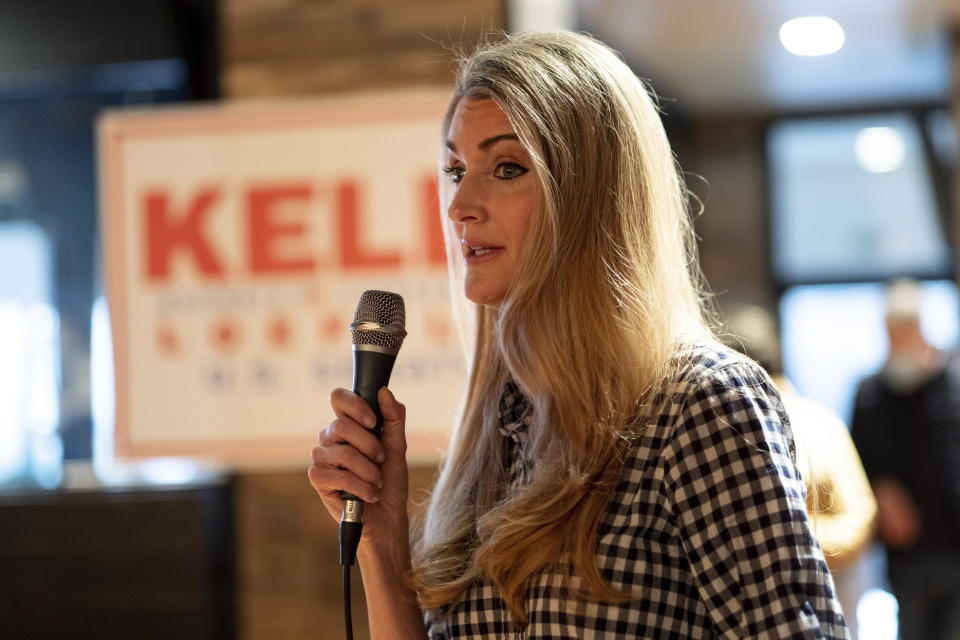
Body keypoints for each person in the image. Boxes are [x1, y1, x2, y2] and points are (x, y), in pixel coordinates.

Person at [309, 31, 849, 639]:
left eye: (507, 167)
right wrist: (380, 546)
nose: (461, 203)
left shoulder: (701, 405)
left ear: (589, 193)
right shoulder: (501, 427)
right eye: (456, 170)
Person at [723, 304, 877, 638]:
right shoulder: (722, 430)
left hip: (827, 595)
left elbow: (859, 518)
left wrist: (784, 541)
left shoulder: (818, 424)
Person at [850, 279, 960, 640]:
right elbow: (857, 466)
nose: (896, 344)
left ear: (919, 329)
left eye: (902, 334)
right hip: (906, 553)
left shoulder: (953, 380)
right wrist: (881, 492)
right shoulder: (870, 393)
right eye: (890, 336)